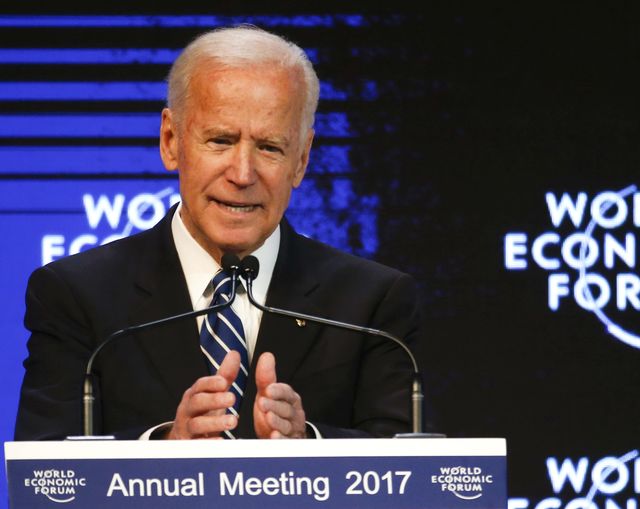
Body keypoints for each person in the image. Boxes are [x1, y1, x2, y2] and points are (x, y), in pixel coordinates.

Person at [15, 26, 419, 440]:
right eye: (221, 141)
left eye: (270, 147)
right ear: (171, 140)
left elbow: (414, 478)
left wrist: (310, 444)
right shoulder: (78, 296)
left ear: (301, 159)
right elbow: (47, 482)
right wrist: (162, 452)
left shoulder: (371, 305)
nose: (242, 174)